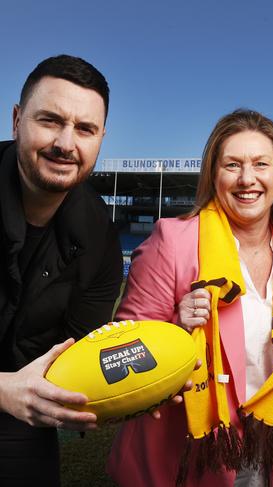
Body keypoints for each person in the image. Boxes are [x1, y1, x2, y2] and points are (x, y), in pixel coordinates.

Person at [107, 109, 273, 487]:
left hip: (257, 447)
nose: (247, 179)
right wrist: (176, 327)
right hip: (179, 456)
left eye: (260, 164)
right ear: (213, 174)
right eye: (232, 165)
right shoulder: (172, 240)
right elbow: (120, 354)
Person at [0, 55, 123, 487]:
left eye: (85, 129)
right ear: (16, 120)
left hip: (21, 411)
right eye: (50, 120)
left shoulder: (101, 237)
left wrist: (140, 381)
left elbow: (76, 358)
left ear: (101, 138)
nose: (66, 144)